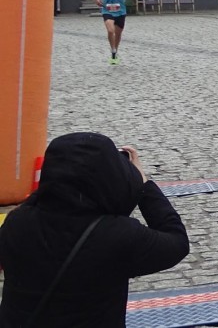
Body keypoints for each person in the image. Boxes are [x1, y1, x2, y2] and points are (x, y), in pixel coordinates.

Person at [0, 132, 189, 327]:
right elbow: (177, 242)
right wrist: (144, 186)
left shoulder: (17, 223)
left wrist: (49, 189)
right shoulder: (119, 236)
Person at [91, 0, 134, 65]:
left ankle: (114, 51)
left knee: (118, 34)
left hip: (120, 11)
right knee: (111, 30)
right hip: (107, 10)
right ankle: (113, 49)